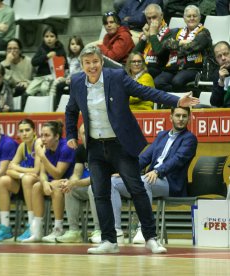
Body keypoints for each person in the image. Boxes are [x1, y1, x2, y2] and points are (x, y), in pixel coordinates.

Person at [65, 45, 199, 254]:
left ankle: (151, 238)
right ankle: (109, 241)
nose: (92, 66)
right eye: (87, 63)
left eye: (95, 62)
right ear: (82, 65)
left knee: (137, 190)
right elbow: (71, 109)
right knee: (100, 193)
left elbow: (146, 92)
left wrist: (177, 100)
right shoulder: (76, 82)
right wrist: (71, 135)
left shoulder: (116, 77)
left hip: (120, 145)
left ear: (102, 61)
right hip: (96, 147)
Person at [112, 106, 197, 244]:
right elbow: (145, 157)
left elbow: (178, 160)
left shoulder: (190, 139)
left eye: (184, 116)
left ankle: (143, 230)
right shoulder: (161, 135)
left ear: (188, 118)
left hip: (170, 183)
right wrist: (126, 171)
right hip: (151, 178)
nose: (181, 119)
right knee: (113, 183)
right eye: (178, 115)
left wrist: (158, 171)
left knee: (145, 182)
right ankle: (116, 231)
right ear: (171, 117)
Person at [21, 121, 75, 243]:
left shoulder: (66, 147)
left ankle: (58, 229)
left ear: (56, 136)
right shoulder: (45, 148)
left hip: (68, 182)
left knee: (55, 188)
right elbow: (42, 173)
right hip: (53, 182)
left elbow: (57, 174)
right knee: (36, 186)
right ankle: (37, 231)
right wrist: (45, 183)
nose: (43, 139)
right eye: (42, 135)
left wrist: (42, 157)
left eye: (47, 135)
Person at [0, 119, 41, 241]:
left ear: (34, 131)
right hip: (25, 182)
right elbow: (9, 169)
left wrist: (18, 169)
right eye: (21, 131)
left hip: (41, 182)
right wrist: (21, 175)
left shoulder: (38, 143)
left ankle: (32, 226)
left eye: (27, 130)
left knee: (28, 179)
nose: (24, 133)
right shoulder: (22, 146)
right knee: (3, 180)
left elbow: (37, 170)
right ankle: (5, 228)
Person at [55, 124, 101, 244]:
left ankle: (99, 230)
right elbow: (76, 173)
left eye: (89, 133)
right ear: (80, 136)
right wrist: (70, 182)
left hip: (105, 187)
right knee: (69, 189)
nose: (87, 136)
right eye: (84, 134)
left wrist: (76, 182)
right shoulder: (80, 150)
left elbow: (98, 178)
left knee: (93, 188)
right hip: (87, 186)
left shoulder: (101, 149)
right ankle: (74, 232)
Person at [154, 5, 213, 92]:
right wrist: (181, 42)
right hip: (173, 67)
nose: (191, 18)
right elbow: (165, 44)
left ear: (200, 18)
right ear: (184, 18)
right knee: (158, 82)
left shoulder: (204, 33)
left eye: (195, 16)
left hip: (193, 68)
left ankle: (185, 101)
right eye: (189, 16)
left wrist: (175, 45)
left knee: (177, 82)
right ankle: (175, 98)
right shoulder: (176, 31)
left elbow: (190, 47)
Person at [26, 25, 68, 96]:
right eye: (46, 36)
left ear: (56, 38)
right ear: (43, 38)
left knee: (44, 89)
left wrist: (59, 60)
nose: (49, 39)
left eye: (52, 36)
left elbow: (66, 66)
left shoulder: (60, 49)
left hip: (52, 77)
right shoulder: (41, 48)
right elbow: (34, 62)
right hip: (40, 77)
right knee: (28, 92)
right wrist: (46, 56)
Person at [134, 3, 172, 79]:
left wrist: (153, 35)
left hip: (158, 69)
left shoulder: (169, 33)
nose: (151, 21)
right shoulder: (146, 32)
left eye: (154, 17)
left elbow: (159, 53)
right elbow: (134, 55)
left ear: (161, 15)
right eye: (148, 18)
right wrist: (145, 37)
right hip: (143, 66)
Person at [54, 35, 84, 110]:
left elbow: (84, 72)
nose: (75, 46)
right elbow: (69, 72)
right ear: (69, 46)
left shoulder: (83, 57)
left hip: (80, 80)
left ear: (81, 46)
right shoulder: (69, 58)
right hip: (70, 80)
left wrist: (72, 79)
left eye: (77, 44)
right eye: (72, 44)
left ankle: (74, 108)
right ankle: (57, 107)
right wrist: (65, 78)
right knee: (59, 85)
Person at [211, 41, 230, 107]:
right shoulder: (217, 73)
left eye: (226, 54)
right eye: (219, 56)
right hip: (224, 110)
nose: (223, 58)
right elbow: (215, 103)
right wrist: (221, 82)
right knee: (198, 107)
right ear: (216, 59)